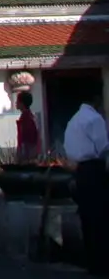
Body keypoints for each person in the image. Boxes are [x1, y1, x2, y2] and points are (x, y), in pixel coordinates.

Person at [62, 89, 109, 276]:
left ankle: (92, 263)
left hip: (79, 171)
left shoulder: (73, 120)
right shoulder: (95, 119)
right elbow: (104, 147)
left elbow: (68, 148)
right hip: (95, 169)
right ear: (97, 100)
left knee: (87, 218)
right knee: (101, 219)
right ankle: (103, 262)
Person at [15, 92, 41, 162]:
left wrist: (21, 153)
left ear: (22, 103)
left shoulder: (26, 118)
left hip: (27, 156)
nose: (16, 103)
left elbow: (26, 139)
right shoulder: (29, 117)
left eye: (17, 101)